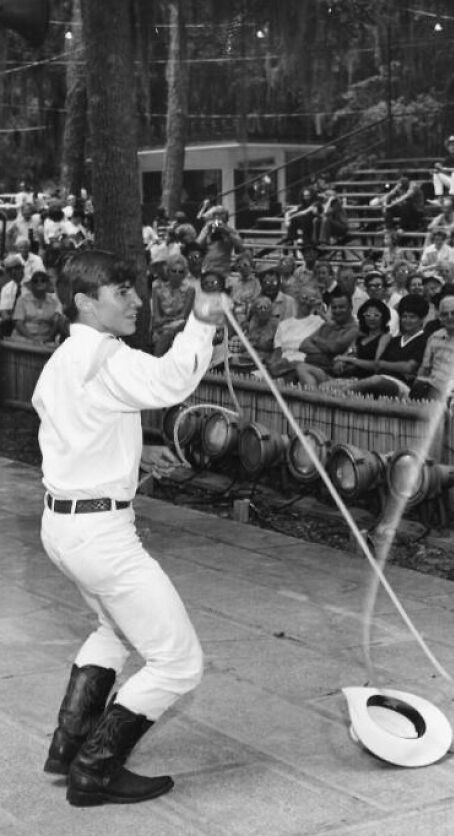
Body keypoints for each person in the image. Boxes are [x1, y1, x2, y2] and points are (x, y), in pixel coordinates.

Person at [32, 249, 229, 806]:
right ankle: (94, 771)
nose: (137, 301)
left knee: (110, 631)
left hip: (63, 526)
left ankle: (67, 747)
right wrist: (204, 317)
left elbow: (75, 426)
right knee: (178, 663)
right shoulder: (106, 357)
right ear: (85, 302)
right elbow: (169, 382)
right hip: (101, 536)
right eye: (123, 292)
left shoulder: (64, 359)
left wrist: (126, 463)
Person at [294, 293, 359, 388]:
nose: (337, 311)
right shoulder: (327, 326)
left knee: (301, 368)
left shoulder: (354, 329)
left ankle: (312, 398)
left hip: (336, 377)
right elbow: (303, 345)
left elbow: (335, 347)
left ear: (350, 308)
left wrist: (316, 340)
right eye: (334, 307)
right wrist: (326, 351)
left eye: (341, 307)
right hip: (317, 369)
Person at [12, 269, 63, 344]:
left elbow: (56, 323)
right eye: (36, 281)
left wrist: (49, 338)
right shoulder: (22, 300)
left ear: (47, 284)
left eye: (43, 280)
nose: (39, 283)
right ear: (31, 285)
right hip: (22, 339)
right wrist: (32, 339)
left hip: (45, 340)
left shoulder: (54, 302)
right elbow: (19, 324)